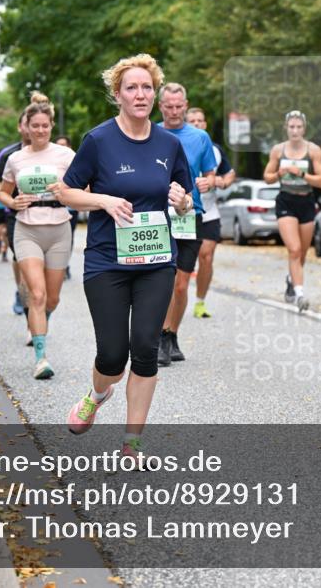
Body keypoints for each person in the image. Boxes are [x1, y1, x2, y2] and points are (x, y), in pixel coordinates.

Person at [56, 53, 193, 460]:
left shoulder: (169, 144)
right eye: (131, 87)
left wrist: (182, 200)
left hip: (155, 261)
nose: (140, 94)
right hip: (107, 262)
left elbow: (185, 199)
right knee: (113, 356)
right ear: (117, 94)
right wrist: (102, 200)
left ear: (155, 93)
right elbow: (65, 191)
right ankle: (98, 393)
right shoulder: (98, 140)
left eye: (146, 87)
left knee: (146, 348)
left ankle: (131, 444)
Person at [0, 93, 76, 380]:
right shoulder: (15, 158)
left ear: (51, 126)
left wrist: (65, 193)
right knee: (37, 294)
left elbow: (86, 188)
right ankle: (41, 358)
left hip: (59, 228)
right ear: (26, 127)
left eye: (45, 125)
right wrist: (12, 202)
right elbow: (1, 190)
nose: (40, 130)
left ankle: (40, 322)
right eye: (35, 125)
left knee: (52, 299)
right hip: (27, 228)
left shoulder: (66, 156)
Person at [154, 84, 216, 368]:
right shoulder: (150, 133)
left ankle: (170, 334)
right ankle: (163, 336)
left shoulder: (199, 137)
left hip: (191, 215)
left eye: (179, 106)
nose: (175, 111)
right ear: (161, 106)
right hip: (158, 215)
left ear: (186, 104)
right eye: (169, 106)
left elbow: (210, 174)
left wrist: (208, 181)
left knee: (180, 284)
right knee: (161, 282)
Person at [262, 110, 321, 312]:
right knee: (294, 249)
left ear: (304, 128)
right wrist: (279, 172)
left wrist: (302, 174)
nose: (295, 130)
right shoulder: (278, 151)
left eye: (299, 127)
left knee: (303, 253)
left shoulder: (314, 150)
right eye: (292, 127)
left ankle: (292, 278)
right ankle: (300, 294)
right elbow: (267, 177)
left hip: (306, 201)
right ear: (286, 128)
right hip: (286, 202)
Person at [185, 107, 236, 318]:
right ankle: (175, 298)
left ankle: (200, 302)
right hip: (184, 213)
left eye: (200, 120)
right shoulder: (176, 144)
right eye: (192, 121)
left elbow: (229, 174)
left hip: (209, 212)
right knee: (182, 264)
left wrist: (220, 182)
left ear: (205, 125)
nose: (197, 124)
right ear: (186, 124)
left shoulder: (214, 149)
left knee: (206, 257)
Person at [0, 111, 31, 315]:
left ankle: (32, 301)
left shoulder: (52, 153)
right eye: (27, 124)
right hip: (16, 215)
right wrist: (3, 196)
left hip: (48, 217)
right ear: (20, 127)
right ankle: (25, 303)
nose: (31, 128)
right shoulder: (8, 154)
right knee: (22, 261)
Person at [55, 134, 80, 281]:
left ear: (69, 147)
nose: (61, 148)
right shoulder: (51, 163)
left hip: (71, 208)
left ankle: (64, 265)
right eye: (58, 145)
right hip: (55, 208)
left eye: (64, 145)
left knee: (68, 238)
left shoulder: (76, 161)